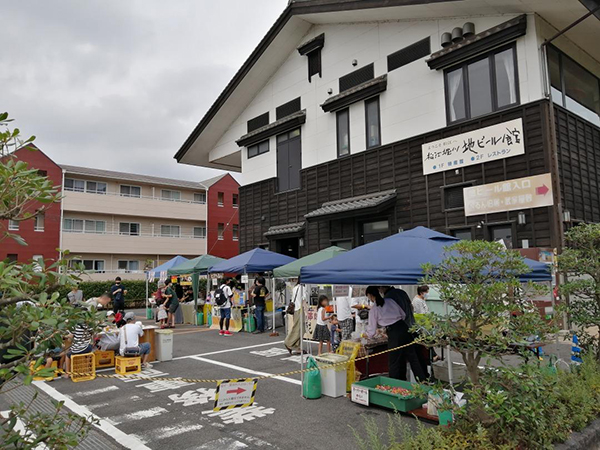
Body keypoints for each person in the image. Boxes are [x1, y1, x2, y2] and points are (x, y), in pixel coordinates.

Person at [367, 286, 426, 381]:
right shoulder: (390, 301)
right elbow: (403, 314)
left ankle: (395, 384)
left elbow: (371, 331)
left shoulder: (374, 309)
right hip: (403, 327)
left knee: (394, 361)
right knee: (412, 357)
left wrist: (366, 335)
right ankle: (423, 381)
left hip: (394, 333)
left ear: (370, 296)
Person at [284, 279, 305, 354]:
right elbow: (304, 300)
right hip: (299, 309)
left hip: (295, 309)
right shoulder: (302, 288)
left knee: (298, 328)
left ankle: (297, 346)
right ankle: (288, 342)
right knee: (299, 329)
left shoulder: (295, 287)